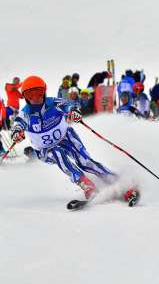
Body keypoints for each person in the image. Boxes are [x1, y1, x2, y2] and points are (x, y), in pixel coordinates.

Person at [10, 76, 138, 205]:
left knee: (85, 162)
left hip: (66, 138)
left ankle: (120, 184)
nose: (35, 98)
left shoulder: (53, 103)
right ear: (25, 97)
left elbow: (69, 105)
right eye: (30, 95)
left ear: (44, 92)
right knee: (57, 153)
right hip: (44, 149)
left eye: (38, 93)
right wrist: (16, 133)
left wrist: (73, 111)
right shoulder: (25, 114)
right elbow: (17, 125)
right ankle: (86, 184)